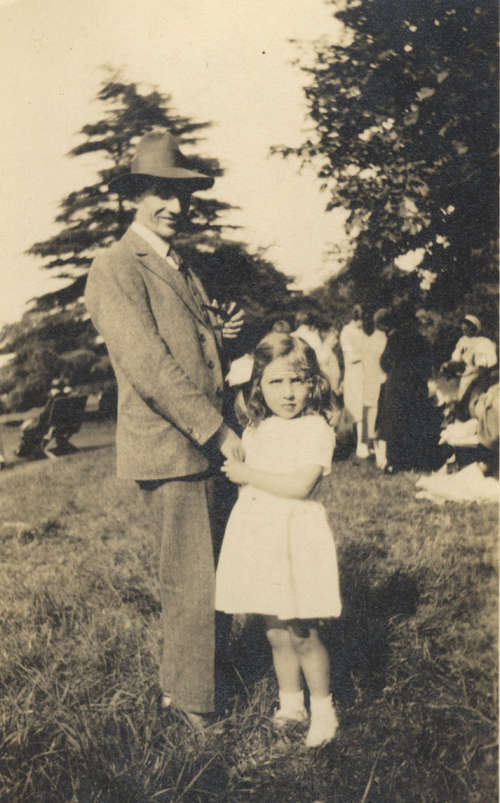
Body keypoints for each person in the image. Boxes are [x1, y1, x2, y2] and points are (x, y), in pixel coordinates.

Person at [84, 129, 245, 729]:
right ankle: (194, 706)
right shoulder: (115, 265)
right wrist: (218, 431)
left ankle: (200, 680)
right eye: (161, 194)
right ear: (134, 197)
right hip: (177, 447)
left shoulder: (179, 264)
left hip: (204, 444)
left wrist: (219, 338)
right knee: (191, 579)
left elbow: (186, 348)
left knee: (215, 571)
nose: (176, 207)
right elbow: (148, 364)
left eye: (183, 197)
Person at [216, 333, 341, 748]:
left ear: (313, 383)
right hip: (262, 538)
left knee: (301, 629)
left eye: (298, 381)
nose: (288, 393)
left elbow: (301, 485)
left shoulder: (315, 428)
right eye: (275, 383)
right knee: (274, 630)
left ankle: (324, 709)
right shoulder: (255, 429)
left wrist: (249, 476)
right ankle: (292, 704)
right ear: (258, 387)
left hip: (296, 539)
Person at [377, 303, 439, 473]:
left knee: (395, 423)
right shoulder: (422, 340)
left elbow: (384, 362)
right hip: (415, 386)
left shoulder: (394, 338)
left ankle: (394, 463)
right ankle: (415, 462)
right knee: (414, 422)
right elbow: (428, 365)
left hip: (397, 385)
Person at [441, 314, 497, 399]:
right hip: (467, 374)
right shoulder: (463, 341)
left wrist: (479, 370)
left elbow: (486, 363)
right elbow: (457, 358)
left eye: (467, 327)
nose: (464, 329)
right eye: (463, 327)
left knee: (468, 392)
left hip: (480, 374)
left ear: (474, 328)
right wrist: (447, 364)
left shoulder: (484, 342)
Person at [360, 308, 388, 460]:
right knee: (380, 416)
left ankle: (371, 446)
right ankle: (378, 450)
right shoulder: (385, 341)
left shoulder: (368, 340)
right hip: (381, 382)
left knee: (371, 413)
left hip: (369, 382)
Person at [340, 304, 365, 457]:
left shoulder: (360, 331)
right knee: (357, 410)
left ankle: (363, 443)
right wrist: (367, 352)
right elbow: (350, 358)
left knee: (364, 408)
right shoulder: (346, 332)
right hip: (354, 374)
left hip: (363, 373)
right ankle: (359, 445)